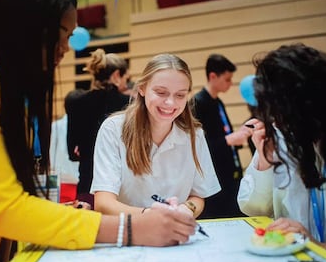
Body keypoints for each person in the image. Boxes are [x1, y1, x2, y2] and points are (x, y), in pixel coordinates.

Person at [0, 0, 197, 262]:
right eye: (64, 32)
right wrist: (131, 228)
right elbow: (4, 208)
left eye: (181, 95)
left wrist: (57, 213)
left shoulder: (9, 87)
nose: (67, 47)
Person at [237, 43, 326, 262]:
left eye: (285, 114)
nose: (279, 124)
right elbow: (252, 209)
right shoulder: (285, 133)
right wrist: (264, 160)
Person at [91, 53, 221, 218]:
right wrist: (150, 216)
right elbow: (103, 203)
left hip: (174, 235)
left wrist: (187, 209)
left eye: (180, 95)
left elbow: (198, 196)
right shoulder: (114, 129)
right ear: (142, 88)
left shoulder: (195, 135)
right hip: (128, 235)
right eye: (161, 92)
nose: (170, 103)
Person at [67, 48, 131, 207]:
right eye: (126, 78)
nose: (126, 83)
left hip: (87, 184)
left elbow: (72, 153)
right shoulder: (129, 103)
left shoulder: (77, 102)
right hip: (118, 189)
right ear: (117, 75)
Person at [192, 54, 252, 219]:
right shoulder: (198, 103)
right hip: (215, 178)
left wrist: (237, 137)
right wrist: (230, 139)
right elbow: (198, 147)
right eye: (227, 79)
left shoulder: (217, 102)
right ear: (213, 76)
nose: (230, 83)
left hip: (229, 172)